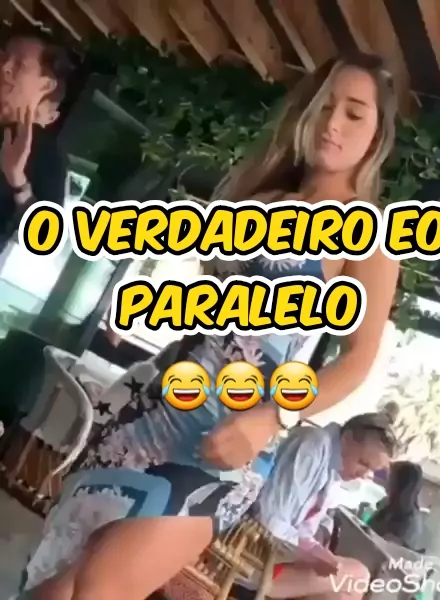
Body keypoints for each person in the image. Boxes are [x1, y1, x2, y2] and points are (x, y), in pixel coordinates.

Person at [18, 51, 400, 600]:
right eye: (325, 106)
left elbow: (357, 361)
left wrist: (273, 417)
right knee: (57, 580)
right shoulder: (259, 202)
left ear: (377, 135)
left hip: (231, 434)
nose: (333, 122)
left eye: (355, 113)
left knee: (100, 586)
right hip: (154, 410)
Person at [242, 412, 396, 600]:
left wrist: (317, 549)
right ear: (347, 439)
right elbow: (270, 521)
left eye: (372, 470)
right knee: (358, 576)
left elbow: (306, 523)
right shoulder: (313, 446)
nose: (364, 475)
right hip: (250, 556)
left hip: (272, 555)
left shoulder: (332, 467)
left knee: (341, 593)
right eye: (363, 463)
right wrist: (312, 553)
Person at [0, 29, 69, 252]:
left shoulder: (46, 152)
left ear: (46, 85)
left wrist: (18, 181)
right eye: (4, 57)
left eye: (19, 64)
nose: (5, 67)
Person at [368, 461, 424, 552]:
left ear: (400, 485)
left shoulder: (410, 524)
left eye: (390, 479)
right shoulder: (387, 503)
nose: (386, 482)